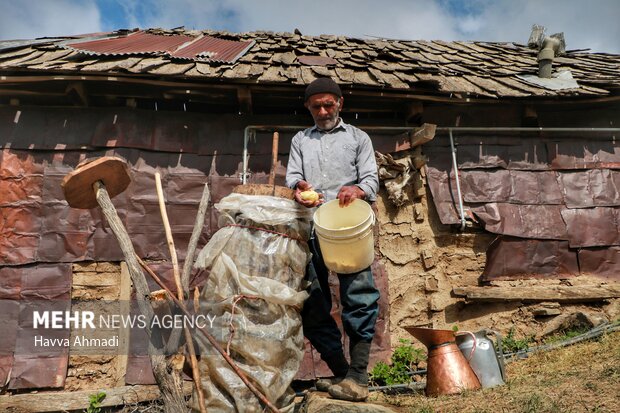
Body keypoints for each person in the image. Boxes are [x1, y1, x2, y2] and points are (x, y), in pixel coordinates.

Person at [285, 77, 380, 402]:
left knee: (359, 296)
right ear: (308, 108)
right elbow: (294, 177)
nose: (323, 111)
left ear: (340, 103)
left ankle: (359, 375)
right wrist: (300, 190)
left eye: (329, 104)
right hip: (312, 229)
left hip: (348, 229)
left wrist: (357, 189)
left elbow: (370, 178)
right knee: (312, 301)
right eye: (316, 106)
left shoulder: (358, 138)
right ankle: (342, 373)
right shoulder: (301, 140)